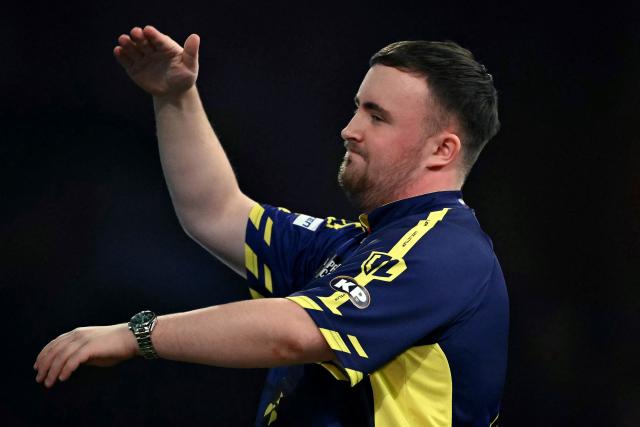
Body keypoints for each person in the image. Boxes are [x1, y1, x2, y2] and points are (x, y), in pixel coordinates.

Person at [34, 25, 508, 426]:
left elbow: (297, 331)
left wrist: (137, 334)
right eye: (358, 106)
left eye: (377, 116)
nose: (349, 128)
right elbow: (215, 211)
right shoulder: (352, 247)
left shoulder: (447, 252)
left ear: (442, 150)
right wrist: (176, 97)